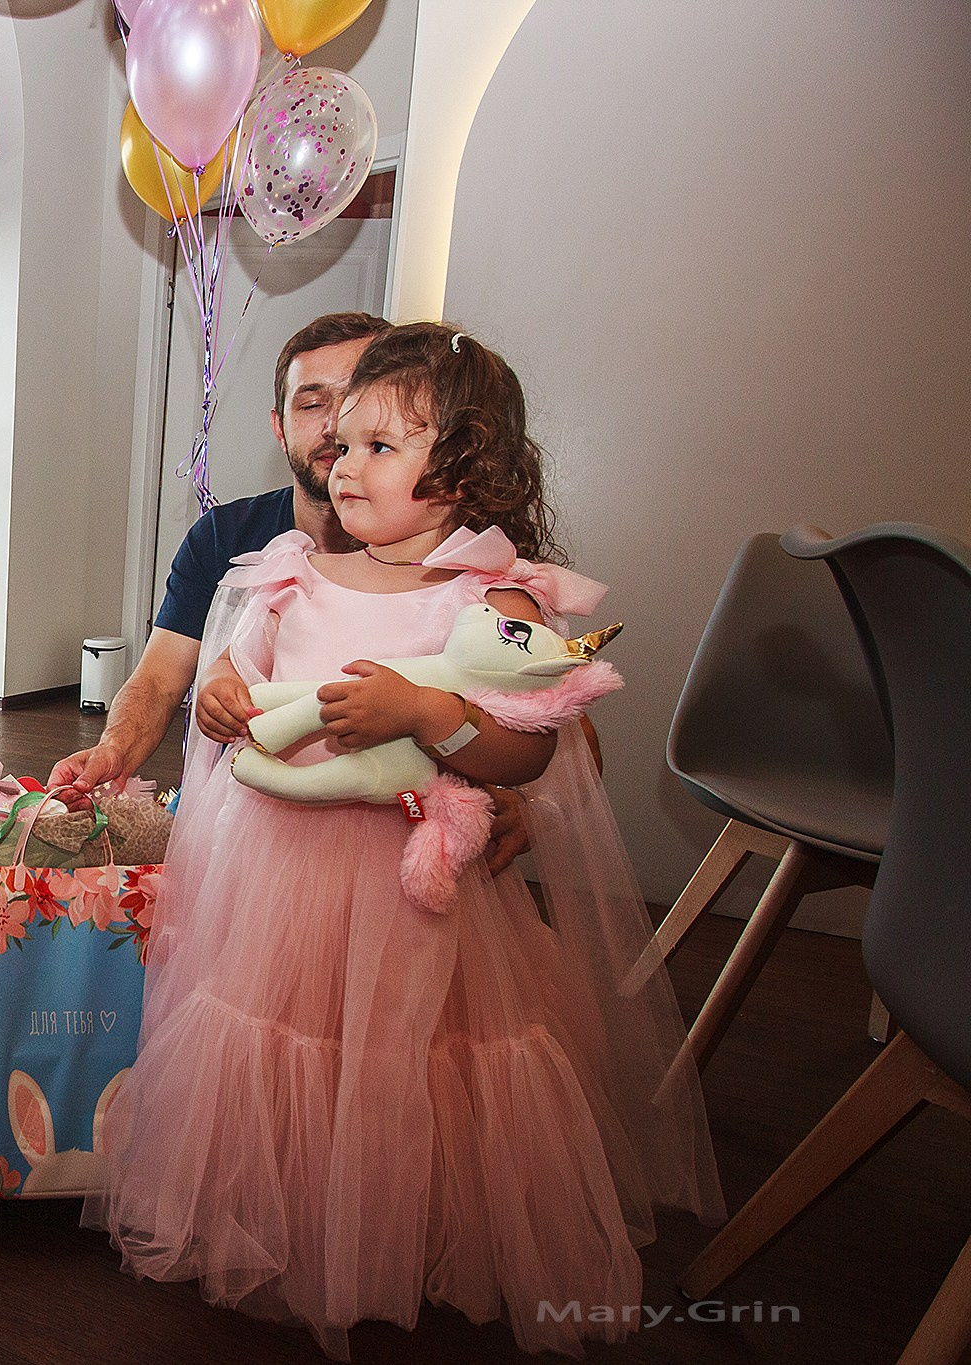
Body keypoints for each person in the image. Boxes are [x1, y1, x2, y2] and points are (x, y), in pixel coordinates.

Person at [83, 323, 723, 1357]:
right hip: (279, 876)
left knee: (406, 1059)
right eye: (339, 442)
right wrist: (221, 704)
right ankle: (287, 1211)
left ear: (463, 468)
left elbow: (527, 755)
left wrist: (429, 719)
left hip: (405, 890)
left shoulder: (493, 601)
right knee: (279, 1044)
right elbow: (225, 684)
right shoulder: (284, 569)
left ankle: (398, 1224)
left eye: (379, 445)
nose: (343, 461)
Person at [49, 312, 388, 797]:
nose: (335, 425)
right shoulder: (221, 538)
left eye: (358, 397)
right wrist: (114, 750)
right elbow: (160, 680)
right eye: (312, 404)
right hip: (237, 815)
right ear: (280, 426)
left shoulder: (443, 548)